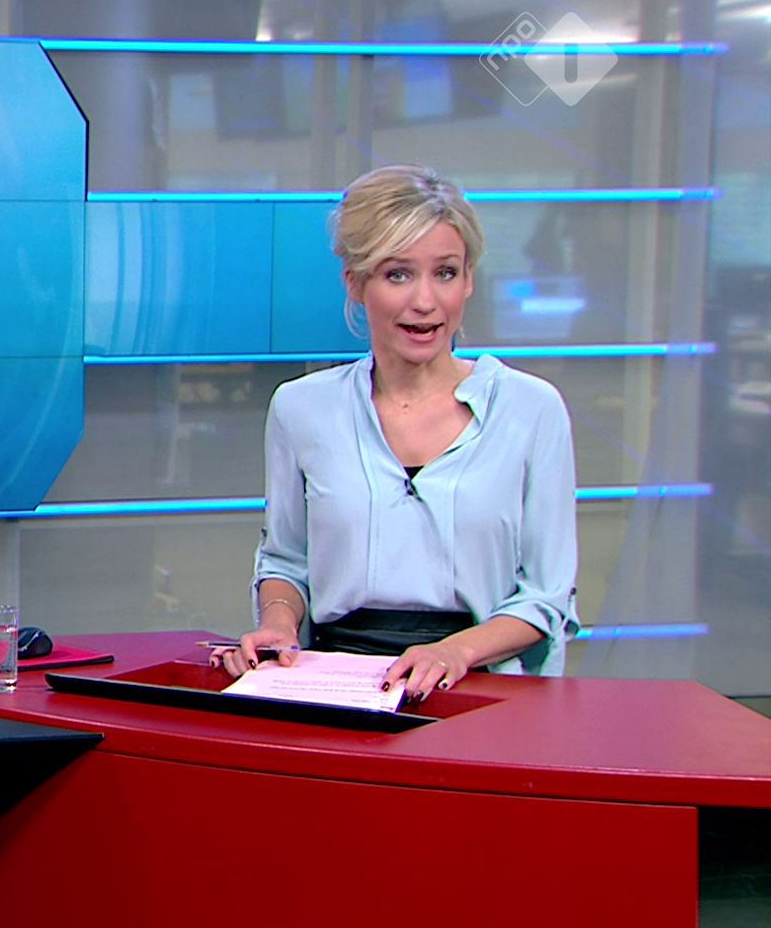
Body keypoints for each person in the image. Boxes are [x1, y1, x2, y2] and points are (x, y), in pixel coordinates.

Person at [219, 165, 578, 702]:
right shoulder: (301, 408)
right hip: (335, 684)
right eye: (398, 275)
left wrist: (456, 652)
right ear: (355, 282)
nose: (425, 301)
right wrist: (278, 625)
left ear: (469, 279)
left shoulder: (531, 410)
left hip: (478, 684)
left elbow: (547, 595)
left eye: (446, 273)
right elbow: (286, 561)